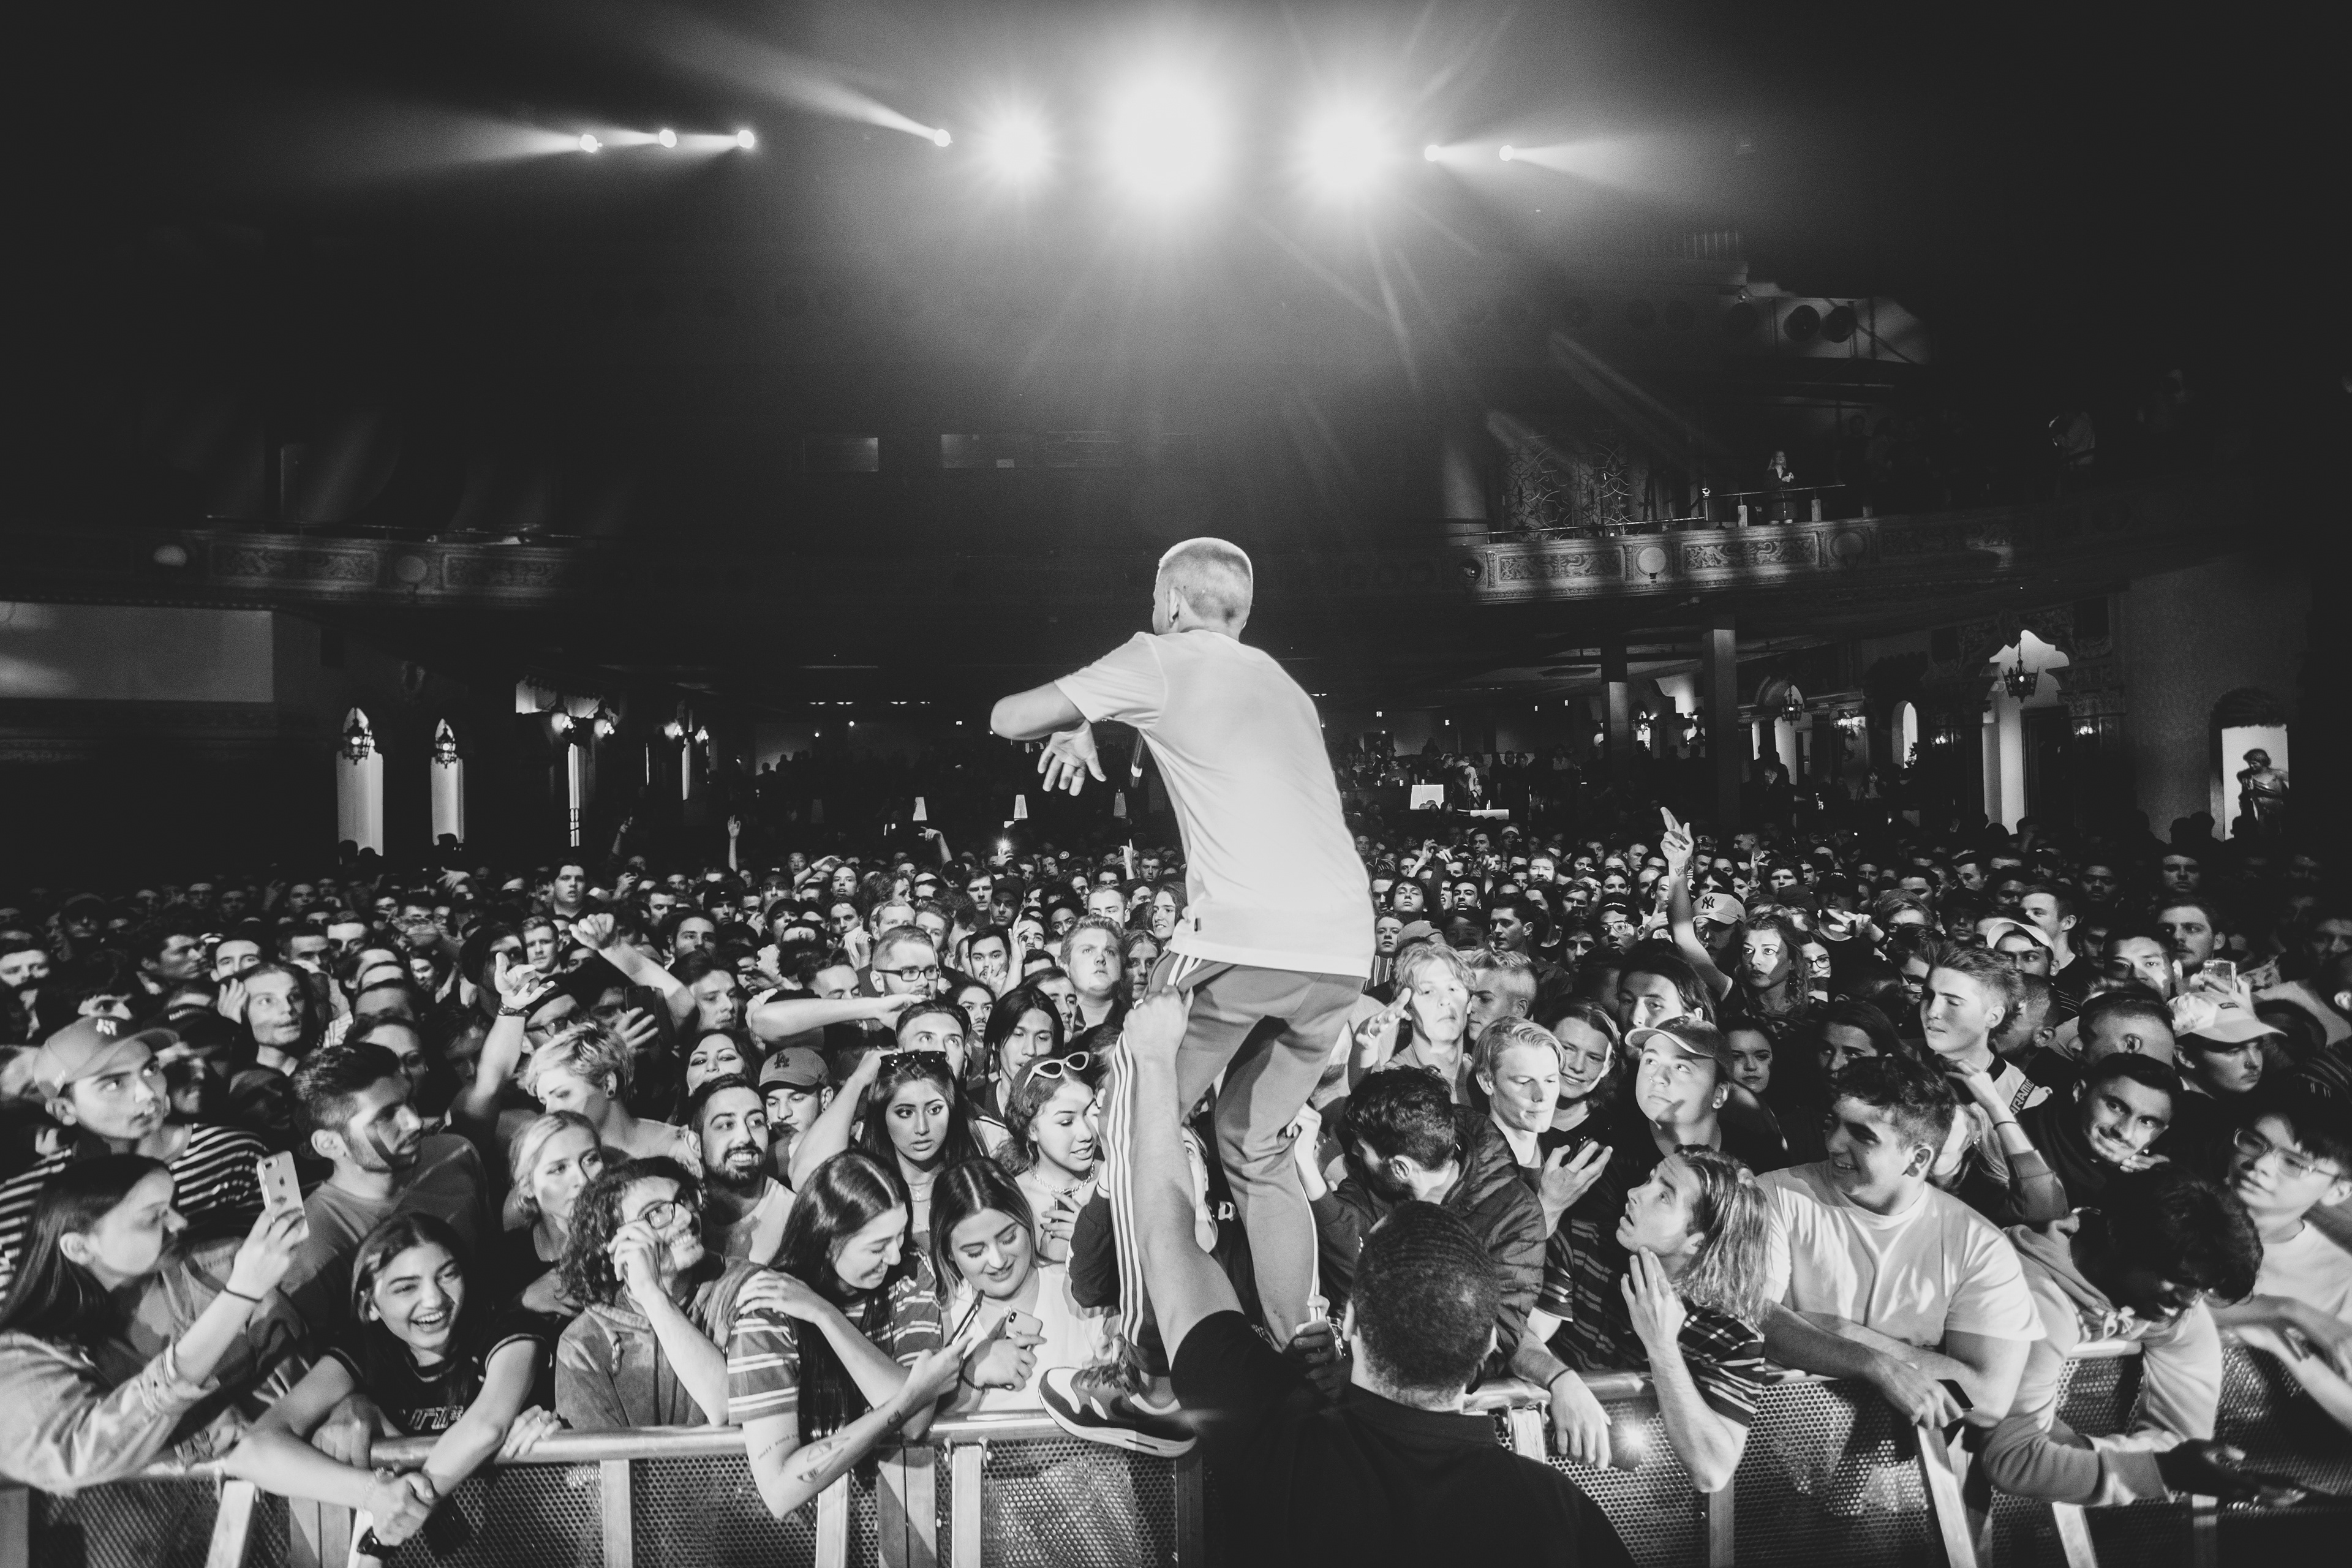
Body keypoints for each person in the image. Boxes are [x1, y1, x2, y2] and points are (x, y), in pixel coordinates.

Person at [1085, 990, 1633, 1566]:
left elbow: (1167, 1239)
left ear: (1348, 1321)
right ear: (1483, 1344)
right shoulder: (1560, 1513)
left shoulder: (1277, 1439)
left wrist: (1153, 1060)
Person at [993, 537, 1371, 1351]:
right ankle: (1301, 1342)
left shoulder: (1159, 654)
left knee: (1133, 1119)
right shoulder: (1281, 681)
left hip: (1245, 937)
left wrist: (1081, 714)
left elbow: (1008, 716)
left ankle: (1142, 1355)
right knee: (1254, 1144)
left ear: (1169, 602)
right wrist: (1101, 719)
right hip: (1344, 951)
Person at [0, 1155, 435, 1545]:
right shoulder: (24, 1353)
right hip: (155, 1544)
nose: (179, 1224)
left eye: (173, 1206)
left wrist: (348, 1401)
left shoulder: (215, 1267)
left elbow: (316, 1365)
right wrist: (239, 1295)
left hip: (308, 1518)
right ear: (79, 1247)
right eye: (153, 1218)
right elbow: (80, 1455)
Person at [1757, 1054, 2042, 1429]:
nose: (1835, 1143)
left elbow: (1989, 1399)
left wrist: (1846, 1334)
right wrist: (1874, 1365)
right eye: (1833, 1123)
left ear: (1917, 1159)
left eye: (1862, 1135)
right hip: (1778, 1438)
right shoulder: (1775, 1195)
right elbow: (1753, 1319)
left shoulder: (1978, 1245)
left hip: (1912, 1454)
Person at [1983, 1167, 2275, 1505]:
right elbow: (2014, 1461)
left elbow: (2181, 1443)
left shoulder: (2168, 1310)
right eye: (2179, 1278)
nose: (2189, 1301)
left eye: (2204, 1288)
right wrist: (2163, 1471)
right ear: (2118, 1234)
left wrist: (2085, 1450)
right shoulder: (2034, 1302)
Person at [727, 1151, 970, 1520]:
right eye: (877, 1246)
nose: (894, 1256)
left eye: (900, 1236)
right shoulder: (766, 1316)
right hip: (801, 1534)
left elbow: (916, 1423)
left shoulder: (908, 1271)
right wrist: (910, 1397)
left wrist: (825, 1316)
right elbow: (779, 1490)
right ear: (827, 1242)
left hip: (896, 1519)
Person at [256, 1214, 559, 1503]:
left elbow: (486, 1428)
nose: (434, 1299)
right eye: (406, 1288)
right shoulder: (364, 1350)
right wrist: (360, 1412)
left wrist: (399, 1505)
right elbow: (261, 1440)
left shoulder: (509, 1334)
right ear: (370, 1306)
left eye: (448, 1275)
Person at [0, 1016, 268, 1292]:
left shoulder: (232, 1154)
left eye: (151, 1069)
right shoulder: (20, 1205)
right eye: (114, 1083)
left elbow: (275, 1272)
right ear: (64, 1110)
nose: (147, 1093)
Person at [282, 1042, 492, 1330]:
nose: (415, 1122)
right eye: (386, 1116)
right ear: (329, 1143)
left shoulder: (455, 1154)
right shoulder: (314, 1246)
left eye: (409, 1101)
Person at [554, 1156, 774, 1430]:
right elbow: (595, 1455)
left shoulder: (747, 1288)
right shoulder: (584, 1343)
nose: (685, 1217)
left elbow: (728, 1406)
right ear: (614, 1244)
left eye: (683, 1200)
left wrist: (653, 1296)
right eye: (656, 1213)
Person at [1615, 1147, 1776, 1491]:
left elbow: (1712, 1472)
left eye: (1664, 1196)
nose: (1635, 1193)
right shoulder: (1586, 1247)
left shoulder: (1733, 1336)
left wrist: (1662, 1347)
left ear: (1697, 1244)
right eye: (1650, 1179)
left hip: (1650, 1504)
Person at [2207, 1090, 2352, 1428]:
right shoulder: (2171, 1210)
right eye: (2254, 1143)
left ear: (2338, 1191)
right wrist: (2286, 1310)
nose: (2259, 1165)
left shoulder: (2341, 1278)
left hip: (2266, 1445)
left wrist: (2278, 1342)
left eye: (2294, 1164)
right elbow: (2162, 1302)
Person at [494, 1111, 605, 1316]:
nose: (582, 1180)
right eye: (560, 1169)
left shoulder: (622, 1238)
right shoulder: (507, 1256)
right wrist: (522, 1302)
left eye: (590, 1160)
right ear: (527, 1186)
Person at [690, 1074, 793, 1265]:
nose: (745, 1137)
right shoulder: (682, 1215)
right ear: (695, 1144)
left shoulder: (794, 1218)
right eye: (726, 1125)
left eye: (756, 1122)